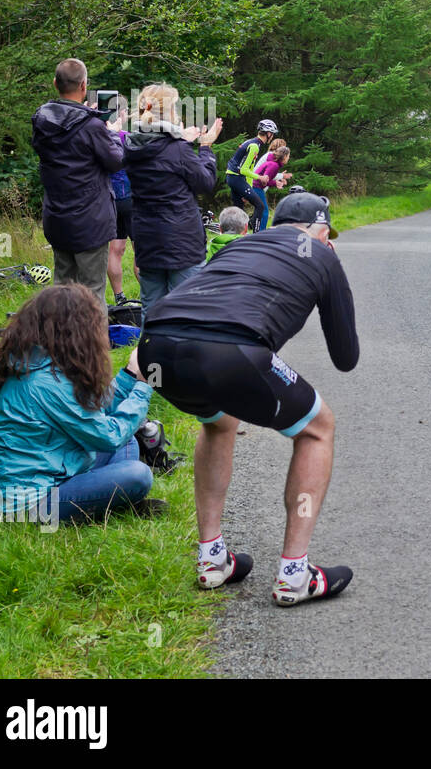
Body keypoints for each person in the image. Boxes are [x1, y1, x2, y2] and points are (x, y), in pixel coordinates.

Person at [138, 192, 358, 606]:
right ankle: (295, 574)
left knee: (219, 421)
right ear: (322, 229)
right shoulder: (322, 253)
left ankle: (212, 559)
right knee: (317, 429)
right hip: (228, 352)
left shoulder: (239, 245)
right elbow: (346, 358)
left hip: (156, 347)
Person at [0, 285, 158, 523]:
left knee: (126, 438)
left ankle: (109, 498)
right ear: (75, 332)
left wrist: (130, 374)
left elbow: (98, 410)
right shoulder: (46, 383)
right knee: (138, 474)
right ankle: (112, 499)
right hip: (29, 502)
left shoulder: (38, 361)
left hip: (56, 467)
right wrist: (143, 387)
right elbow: (107, 437)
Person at [31, 58, 124, 302]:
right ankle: (93, 341)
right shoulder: (92, 126)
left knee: (61, 289)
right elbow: (115, 161)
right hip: (90, 220)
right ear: (84, 86)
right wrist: (111, 134)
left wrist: (90, 116)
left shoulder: (42, 120)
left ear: (55, 83)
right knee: (92, 294)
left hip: (57, 217)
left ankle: (59, 339)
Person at [125, 84, 221, 308]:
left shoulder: (131, 147)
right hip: (181, 241)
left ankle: (150, 344)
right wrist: (205, 148)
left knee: (151, 308)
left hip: (147, 239)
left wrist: (181, 139)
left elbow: (160, 154)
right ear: (169, 112)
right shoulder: (177, 149)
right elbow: (205, 182)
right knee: (186, 309)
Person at [105, 97, 135, 305]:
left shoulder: (100, 138)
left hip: (111, 199)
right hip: (132, 198)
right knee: (140, 248)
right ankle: (152, 296)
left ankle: (119, 296)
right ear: (123, 113)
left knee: (115, 249)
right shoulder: (129, 139)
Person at [226, 121, 279, 230]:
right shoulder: (255, 146)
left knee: (239, 209)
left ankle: (234, 235)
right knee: (260, 206)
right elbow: (244, 170)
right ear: (268, 133)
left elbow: (249, 169)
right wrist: (260, 177)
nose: (272, 137)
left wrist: (248, 187)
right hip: (236, 177)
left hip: (233, 178)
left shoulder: (252, 142)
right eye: (272, 134)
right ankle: (256, 236)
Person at [253, 145, 293, 214]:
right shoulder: (274, 165)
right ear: (285, 156)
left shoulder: (274, 164)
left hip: (256, 187)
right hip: (256, 187)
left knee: (260, 210)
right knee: (264, 212)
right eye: (288, 156)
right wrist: (276, 183)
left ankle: (254, 224)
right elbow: (264, 180)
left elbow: (266, 178)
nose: (289, 158)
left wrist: (276, 182)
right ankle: (259, 225)